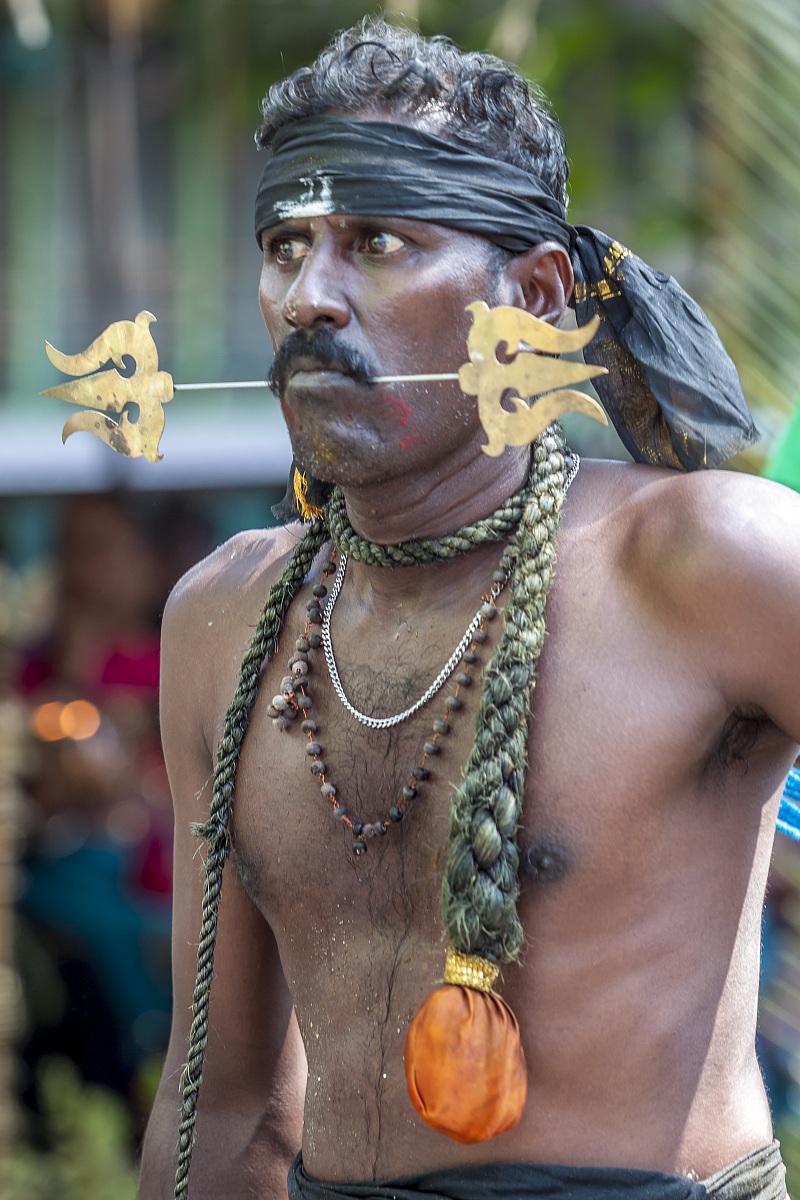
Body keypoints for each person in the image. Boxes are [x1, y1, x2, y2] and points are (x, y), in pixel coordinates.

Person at [138, 18, 800, 1200]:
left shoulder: (709, 565)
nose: (309, 299)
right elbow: (226, 1099)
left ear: (535, 297)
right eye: (284, 247)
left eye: (376, 241)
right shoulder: (224, 618)